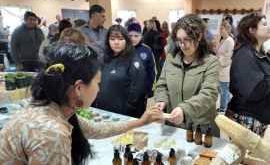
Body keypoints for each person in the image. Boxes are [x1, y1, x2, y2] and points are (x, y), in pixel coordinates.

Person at [0, 43, 162, 164]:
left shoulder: (53, 108)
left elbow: (96, 129)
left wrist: (141, 121)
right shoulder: (51, 133)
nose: (99, 89)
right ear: (78, 87)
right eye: (98, 82)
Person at [154, 14, 220, 137]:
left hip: (201, 129)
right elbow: (162, 86)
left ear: (199, 36)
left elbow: (209, 94)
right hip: (173, 126)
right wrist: (162, 100)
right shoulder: (170, 59)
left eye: (187, 40)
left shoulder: (211, 61)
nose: (183, 45)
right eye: (179, 40)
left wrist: (184, 110)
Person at [225, 12, 270, 138]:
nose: (268, 27)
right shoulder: (245, 55)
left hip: (256, 116)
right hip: (247, 118)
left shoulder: (258, 52)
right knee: (242, 156)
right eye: (264, 24)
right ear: (252, 30)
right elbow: (253, 91)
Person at [94, 25, 147, 118]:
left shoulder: (133, 61)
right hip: (103, 112)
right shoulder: (105, 59)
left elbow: (138, 90)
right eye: (112, 39)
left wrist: (126, 109)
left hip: (123, 116)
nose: (116, 42)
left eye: (120, 39)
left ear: (126, 40)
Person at [127, 23, 157, 98]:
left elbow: (152, 71)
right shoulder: (122, 49)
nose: (133, 39)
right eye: (130, 36)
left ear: (141, 35)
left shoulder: (147, 50)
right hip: (125, 91)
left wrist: (149, 90)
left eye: (136, 36)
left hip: (142, 91)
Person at [216, 22, 234, 113]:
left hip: (225, 70)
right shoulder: (223, 40)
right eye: (220, 29)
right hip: (220, 69)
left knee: (224, 90)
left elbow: (228, 58)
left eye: (222, 29)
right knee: (224, 90)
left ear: (227, 30)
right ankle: (228, 105)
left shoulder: (230, 41)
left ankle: (223, 107)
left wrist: (218, 58)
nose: (220, 31)